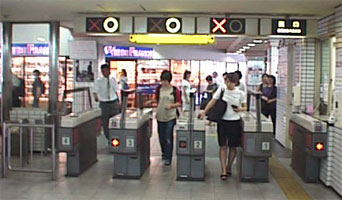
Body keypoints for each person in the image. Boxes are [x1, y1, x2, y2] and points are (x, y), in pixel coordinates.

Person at [198, 74, 247, 180]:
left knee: (233, 147)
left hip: (235, 122)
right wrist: (204, 112)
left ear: (236, 83)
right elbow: (213, 101)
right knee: (223, 146)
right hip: (223, 121)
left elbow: (245, 107)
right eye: (227, 82)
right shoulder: (222, 89)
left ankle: (229, 166)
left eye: (231, 82)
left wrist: (239, 109)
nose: (229, 84)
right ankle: (224, 170)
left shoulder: (240, 93)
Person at [147, 70, 181, 165]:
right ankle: (164, 153)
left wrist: (171, 106)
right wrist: (151, 101)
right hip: (160, 116)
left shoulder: (174, 90)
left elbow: (179, 103)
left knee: (168, 136)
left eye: (165, 81)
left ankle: (168, 157)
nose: (163, 83)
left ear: (169, 80)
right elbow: (157, 99)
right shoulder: (159, 89)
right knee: (161, 137)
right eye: (162, 80)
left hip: (171, 116)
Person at [93, 64, 121, 141]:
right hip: (104, 103)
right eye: (103, 71)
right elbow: (95, 90)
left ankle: (116, 137)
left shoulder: (113, 79)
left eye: (105, 71)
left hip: (113, 102)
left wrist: (119, 101)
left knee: (115, 121)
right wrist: (95, 96)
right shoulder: (99, 81)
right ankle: (108, 137)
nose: (104, 73)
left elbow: (116, 90)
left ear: (109, 70)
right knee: (105, 122)